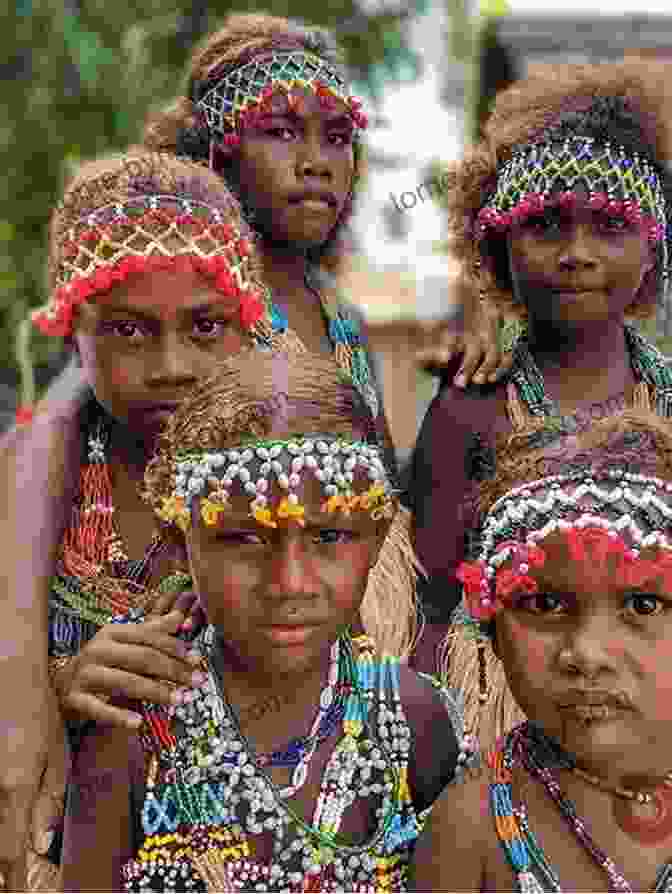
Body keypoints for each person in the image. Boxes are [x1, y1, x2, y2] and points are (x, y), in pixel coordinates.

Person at [59, 349, 471, 892]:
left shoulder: (416, 724)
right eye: (244, 539)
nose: (288, 582)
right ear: (180, 541)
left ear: (376, 539)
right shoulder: (135, 733)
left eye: (329, 537)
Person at [7, 147, 296, 891]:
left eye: (205, 327)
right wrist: (57, 685)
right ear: (74, 330)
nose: (170, 364)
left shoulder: (306, 487)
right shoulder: (28, 495)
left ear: (247, 324)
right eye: (129, 332)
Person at [409, 59, 672, 676]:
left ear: (654, 246)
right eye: (547, 225)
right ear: (496, 245)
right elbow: (427, 608)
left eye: (610, 225)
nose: (577, 254)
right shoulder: (472, 406)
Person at [141, 11, 508, 404]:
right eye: (281, 131)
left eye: (337, 136)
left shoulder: (345, 323)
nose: (316, 162)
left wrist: (461, 389)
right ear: (214, 152)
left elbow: (378, 466)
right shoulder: (168, 307)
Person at [411, 406, 672, 892]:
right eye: (545, 603)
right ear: (490, 623)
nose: (588, 653)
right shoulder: (472, 829)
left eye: (643, 603)